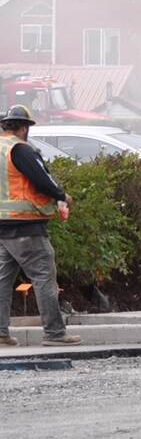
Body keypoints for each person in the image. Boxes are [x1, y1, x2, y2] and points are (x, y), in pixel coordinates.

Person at [0, 105, 74, 346]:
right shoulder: (20, 149)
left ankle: (1, 333)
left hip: (2, 227)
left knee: (2, 280)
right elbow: (42, 180)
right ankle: (55, 334)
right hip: (26, 226)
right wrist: (62, 195)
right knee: (43, 277)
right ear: (24, 128)